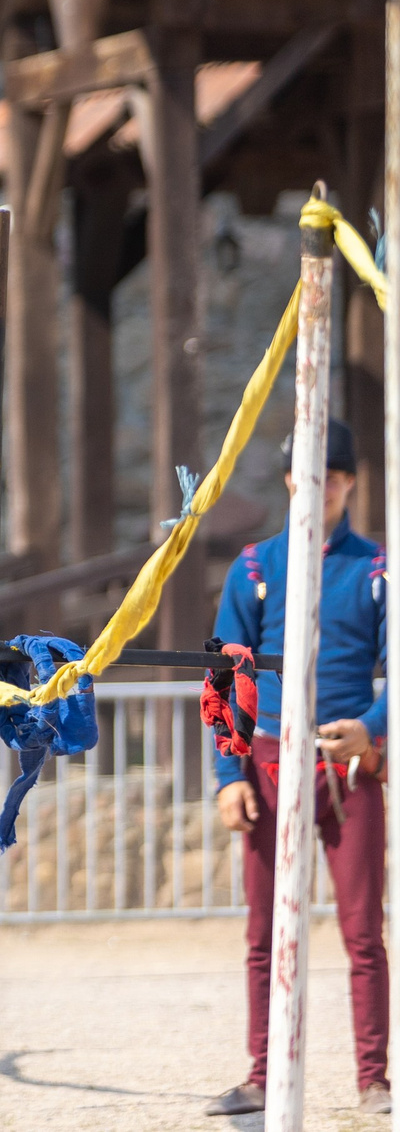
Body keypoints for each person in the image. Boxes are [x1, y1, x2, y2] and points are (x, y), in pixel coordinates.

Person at [205, 418, 389, 1117]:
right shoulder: (254, 568)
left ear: (348, 481)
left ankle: (374, 1078)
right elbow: (225, 680)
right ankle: (261, 1073)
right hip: (267, 762)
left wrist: (370, 728)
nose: (324, 486)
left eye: (336, 475)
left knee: (362, 931)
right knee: (264, 931)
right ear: (291, 480)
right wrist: (228, 779)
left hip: (347, 766)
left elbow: (396, 669)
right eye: (312, 474)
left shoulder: (376, 570)